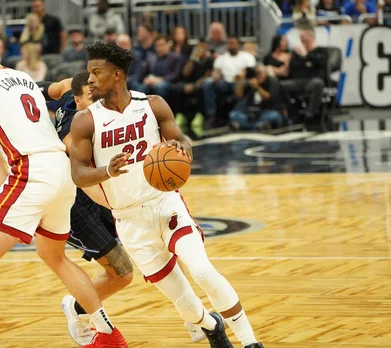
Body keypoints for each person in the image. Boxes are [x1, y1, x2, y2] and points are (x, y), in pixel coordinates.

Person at [0, 29, 127, 348]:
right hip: (61, 170)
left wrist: (7, 215)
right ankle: (108, 333)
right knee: (53, 256)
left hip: (30, 171)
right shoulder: (23, 77)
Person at [69, 41, 265, 348]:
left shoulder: (153, 104)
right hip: (129, 219)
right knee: (186, 305)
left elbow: (182, 142)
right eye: (89, 72)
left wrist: (182, 149)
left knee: (202, 271)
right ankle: (213, 326)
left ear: (117, 75)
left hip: (165, 203)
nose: (89, 79)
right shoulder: (85, 120)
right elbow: (78, 174)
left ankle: (251, 343)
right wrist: (107, 171)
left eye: (97, 72)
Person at [38, 71, 135, 346]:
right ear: (79, 102)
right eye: (94, 98)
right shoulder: (73, 135)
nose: (101, 100)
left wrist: (27, 89)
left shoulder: (72, 89)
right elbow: (82, 169)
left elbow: (57, 87)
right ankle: (78, 307)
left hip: (96, 192)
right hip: (74, 204)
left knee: (135, 258)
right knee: (123, 273)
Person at [203, 36, 256, 128]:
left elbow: (249, 71)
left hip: (240, 81)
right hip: (225, 82)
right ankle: (211, 115)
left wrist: (240, 77)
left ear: (238, 45)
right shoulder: (221, 58)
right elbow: (217, 71)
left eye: (233, 43)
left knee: (244, 84)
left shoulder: (247, 57)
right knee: (208, 82)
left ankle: (237, 115)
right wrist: (216, 76)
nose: (231, 46)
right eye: (229, 43)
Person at [283, 23, 327, 121]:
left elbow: (321, 64)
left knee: (318, 84)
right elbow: (293, 66)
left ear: (311, 36)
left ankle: (310, 113)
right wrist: (307, 63)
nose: (302, 40)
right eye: (300, 37)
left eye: (303, 37)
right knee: (279, 85)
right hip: (298, 81)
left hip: (312, 80)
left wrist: (306, 55)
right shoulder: (296, 51)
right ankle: (292, 111)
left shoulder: (321, 51)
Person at [229, 65, 284, 130]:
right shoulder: (251, 82)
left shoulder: (272, 81)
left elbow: (268, 97)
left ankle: (245, 126)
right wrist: (241, 79)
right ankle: (258, 126)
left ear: (265, 73)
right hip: (251, 113)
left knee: (275, 116)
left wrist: (257, 87)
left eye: (260, 73)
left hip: (267, 111)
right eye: (256, 74)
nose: (258, 76)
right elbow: (239, 95)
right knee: (234, 114)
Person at [140, 35, 184, 100]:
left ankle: (161, 109)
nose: (160, 48)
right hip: (153, 81)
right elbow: (146, 72)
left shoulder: (175, 57)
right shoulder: (152, 58)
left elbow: (176, 75)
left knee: (160, 87)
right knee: (141, 87)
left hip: (169, 82)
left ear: (168, 45)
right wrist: (146, 79)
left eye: (162, 45)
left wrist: (160, 79)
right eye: (157, 46)